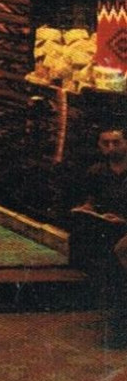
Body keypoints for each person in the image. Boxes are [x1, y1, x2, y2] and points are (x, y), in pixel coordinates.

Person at [73, 126, 127, 345]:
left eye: (116, 142)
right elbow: (92, 201)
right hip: (107, 229)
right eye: (106, 143)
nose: (111, 147)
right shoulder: (97, 172)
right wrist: (87, 210)